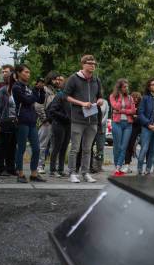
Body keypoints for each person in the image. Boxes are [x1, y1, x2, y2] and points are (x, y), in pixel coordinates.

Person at [64, 55, 103, 183]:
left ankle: (85, 173)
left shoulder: (96, 80)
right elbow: (66, 96)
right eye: (90, 63)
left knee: (87, 148)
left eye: (94, 64)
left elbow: (99, 96)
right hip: (78, 119)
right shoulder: (74, 78)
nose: (93, 66)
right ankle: (72, 173)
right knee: (75, 148)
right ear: (83, 64)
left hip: (93, 119)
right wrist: (81, 103)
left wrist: (100, 101)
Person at [12, 64, 46, 183]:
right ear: (19, 73)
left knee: (36, 148)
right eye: (26, 72)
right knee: (21, 148)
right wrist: (35, 91)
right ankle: (20, 173)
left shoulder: (29, 87)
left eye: (29, 72)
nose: (28, 74)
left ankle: (34, 173)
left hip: (32, 121)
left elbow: (40, 100)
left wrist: (40, 89)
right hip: (22, 120)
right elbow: (27, 100)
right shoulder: (16, 87)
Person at [0, 65, 17, 177]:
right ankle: (0, 168)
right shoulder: (2, 91)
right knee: (2, 146)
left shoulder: (18, 90)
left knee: (12, 146)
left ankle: (11, 168)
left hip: (15, 121)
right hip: (4, 121)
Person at [35, 72, 63, 174]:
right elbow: (38, 105)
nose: (58, 81)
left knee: (54, 146)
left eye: (59, 80)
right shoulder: (45, 90)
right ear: (51, 79)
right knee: (42, 145)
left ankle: (52, 168)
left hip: (55, 122)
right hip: (46, 122)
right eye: (56, 79)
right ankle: (39, 166)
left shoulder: (56, 91)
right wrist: (44, 119)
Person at [110, 78, 136, 175]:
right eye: (124, 87)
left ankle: (118, 167)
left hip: (128, 124)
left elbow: (133, 111)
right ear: (119, 88)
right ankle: (117, 164)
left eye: (127, 86)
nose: (127, 88)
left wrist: (121, 111)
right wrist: (120, 97)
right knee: (117, 146)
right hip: (117, 123)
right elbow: (115, 106)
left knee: (124, 146)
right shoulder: (113, 96)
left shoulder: (130, 98)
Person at [48, 80, 72, 177]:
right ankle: (52, 170)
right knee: (56, 147)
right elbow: (52, 110)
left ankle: (61, 169)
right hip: (58, 124)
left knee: (64, 148)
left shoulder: (71, 97)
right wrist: (65, 116)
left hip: (68, 125)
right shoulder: (60, 95)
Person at [123, 92, 142, 173]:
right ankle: (127, 164)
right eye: (134, 98)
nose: (135, 100)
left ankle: (142, 167)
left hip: (140, 127)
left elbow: (143, 116)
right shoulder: (129, 105)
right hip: (131, 126)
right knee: (129, 145)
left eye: (137, 98)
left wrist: (136, 116)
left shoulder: (141, 106)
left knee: (144, 147)